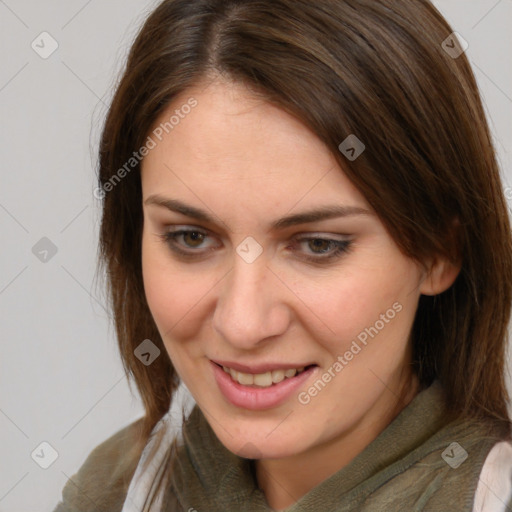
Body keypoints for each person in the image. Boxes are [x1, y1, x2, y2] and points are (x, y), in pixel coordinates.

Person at [54, 0, 512, 510]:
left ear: (439, 251)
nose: (242, 324)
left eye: (319, 245)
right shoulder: (112, 491)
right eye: (191, 237)